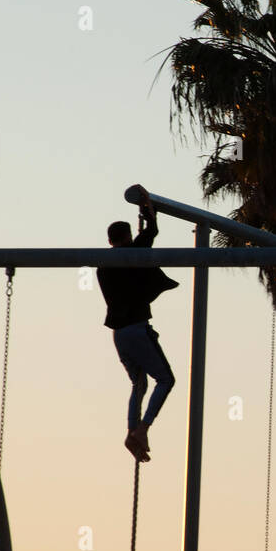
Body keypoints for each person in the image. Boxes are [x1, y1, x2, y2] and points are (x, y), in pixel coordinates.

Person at [98, 185, 179, 461]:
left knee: (139, 384)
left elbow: (145, 239)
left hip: (119, 334)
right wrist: (147, 209)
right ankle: (143, 428)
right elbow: (151, 234)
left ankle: (132, 430)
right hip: (136, 328)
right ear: (126, 237)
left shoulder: (102, 265)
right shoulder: (131, 255)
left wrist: (145, 213)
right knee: (166, 379)